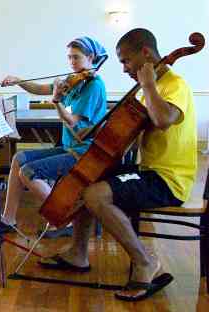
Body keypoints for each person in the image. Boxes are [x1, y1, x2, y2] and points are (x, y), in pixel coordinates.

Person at [39, 28, 196, 301]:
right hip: (148, 170)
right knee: (90, 178)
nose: (123, 69)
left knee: (95, 194)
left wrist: (148, 85)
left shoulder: (174, 85)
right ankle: (78, 253)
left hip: (168, 179)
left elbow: (162, 120)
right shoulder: (152, 88)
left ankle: (146, 261)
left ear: (145, 53)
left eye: (126, 61)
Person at [0, 37, 107, 235]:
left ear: (91, 57)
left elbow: (72, 121)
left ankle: (66, 220)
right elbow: (40, 89)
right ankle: (9, 219)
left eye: (76, 57)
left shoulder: (93, 86)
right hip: (69, 147)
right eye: (69, 58)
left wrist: (56, 101)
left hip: (85, 153)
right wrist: (18, 80)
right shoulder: (73, 81)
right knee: (18, 159)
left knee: (28, 172)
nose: (72, 62)